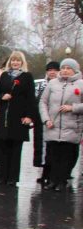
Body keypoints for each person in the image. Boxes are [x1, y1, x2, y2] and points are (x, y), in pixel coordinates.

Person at [0, 50, 36, 186]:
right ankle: (1, 176)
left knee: (16, 149)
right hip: (4, 117)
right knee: (3, 147)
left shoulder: (27, 77)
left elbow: (31, 98)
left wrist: (29, 116)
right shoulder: (5, 75)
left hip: (19, 117)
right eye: (13, 60)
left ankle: (12, 177)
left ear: (22, 62)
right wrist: (2, 97)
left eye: (18, 60)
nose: (15, 63)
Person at [39, 58, 83, 191]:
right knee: (53, 155)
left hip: (71, 127)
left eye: (68, 68)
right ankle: (52, 180)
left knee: (67, 156)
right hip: (53, 126)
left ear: (74, 70)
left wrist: (72, 108)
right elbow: (43, 102)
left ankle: (62, 180)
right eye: (63, 68)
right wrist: (46, 119)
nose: (65, 70)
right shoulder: (52, 83)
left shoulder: (80, 84)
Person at [35, 61, 60, 185]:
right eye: (49, 70)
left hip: (57, 121)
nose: (52, 72)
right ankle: (43, 172)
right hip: (42, 120)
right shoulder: (41, 85)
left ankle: (54, 174)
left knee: (53, 148)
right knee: (42, 147)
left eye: (55, 70)